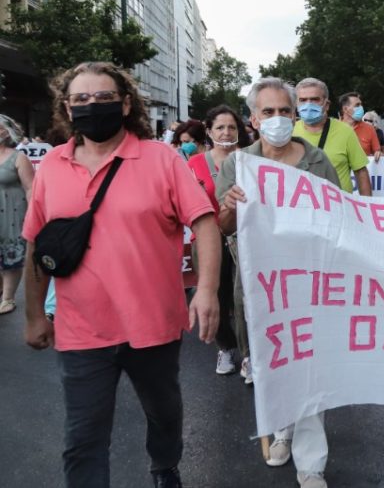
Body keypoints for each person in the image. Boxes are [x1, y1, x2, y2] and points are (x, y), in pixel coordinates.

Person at [22, 61, 220, 488]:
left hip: (153, 324)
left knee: (164, 413)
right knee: (83, 439)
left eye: (104, 98)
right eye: (81, 100)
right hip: (81, 330)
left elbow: (204, 221)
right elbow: (37, 245)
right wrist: (35, 314)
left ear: (126, 104)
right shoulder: (52, 166)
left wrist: (206, 290)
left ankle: (164, 467)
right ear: (68, 108)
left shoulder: (161, 158)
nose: (93, 106)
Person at [217, 77, 340, 488]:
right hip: (261, 289)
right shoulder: (238, 164)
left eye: (284, 111)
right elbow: (223, 225)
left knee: (309, 368)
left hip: (310, 284)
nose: (278, 119)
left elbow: (339, 219)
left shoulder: (316, 161)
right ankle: (281, 428)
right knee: (273, 366)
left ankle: (311, 464)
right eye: (267, 112)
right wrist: (230, 205)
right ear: (253, 119)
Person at [187, 105, 252, 379]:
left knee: (245, 300)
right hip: (207, 239)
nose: (226, 132)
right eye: (220, 127)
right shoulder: (195, 164)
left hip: (243, 237)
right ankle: (225, 347)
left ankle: (249, 356)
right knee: (217, 295)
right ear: (209, 131)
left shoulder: (250, 161)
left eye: (232, 127)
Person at [292, 78, 371, 196]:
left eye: (314, 99)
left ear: (327, 105)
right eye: (303, 100)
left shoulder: (345, 132)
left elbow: (361, 172)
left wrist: (367, 208)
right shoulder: (290, 131)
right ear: (296, 104)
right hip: (301, 208)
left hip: (338, 208)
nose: (308, 104)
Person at [0, 115, 33, 314]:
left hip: (12, 214)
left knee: (11, 256)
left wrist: (34, 216)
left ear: (5, 132)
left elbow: (31, 188)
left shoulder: (18, 157)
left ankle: (8, 298)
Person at [339, 92, 382, 162]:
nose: (361, 108)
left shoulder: (369, 129)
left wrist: (379, 154)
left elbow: (378, 152)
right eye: (357, 105)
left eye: (361, 104)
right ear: (345, 109)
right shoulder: (333, 129)